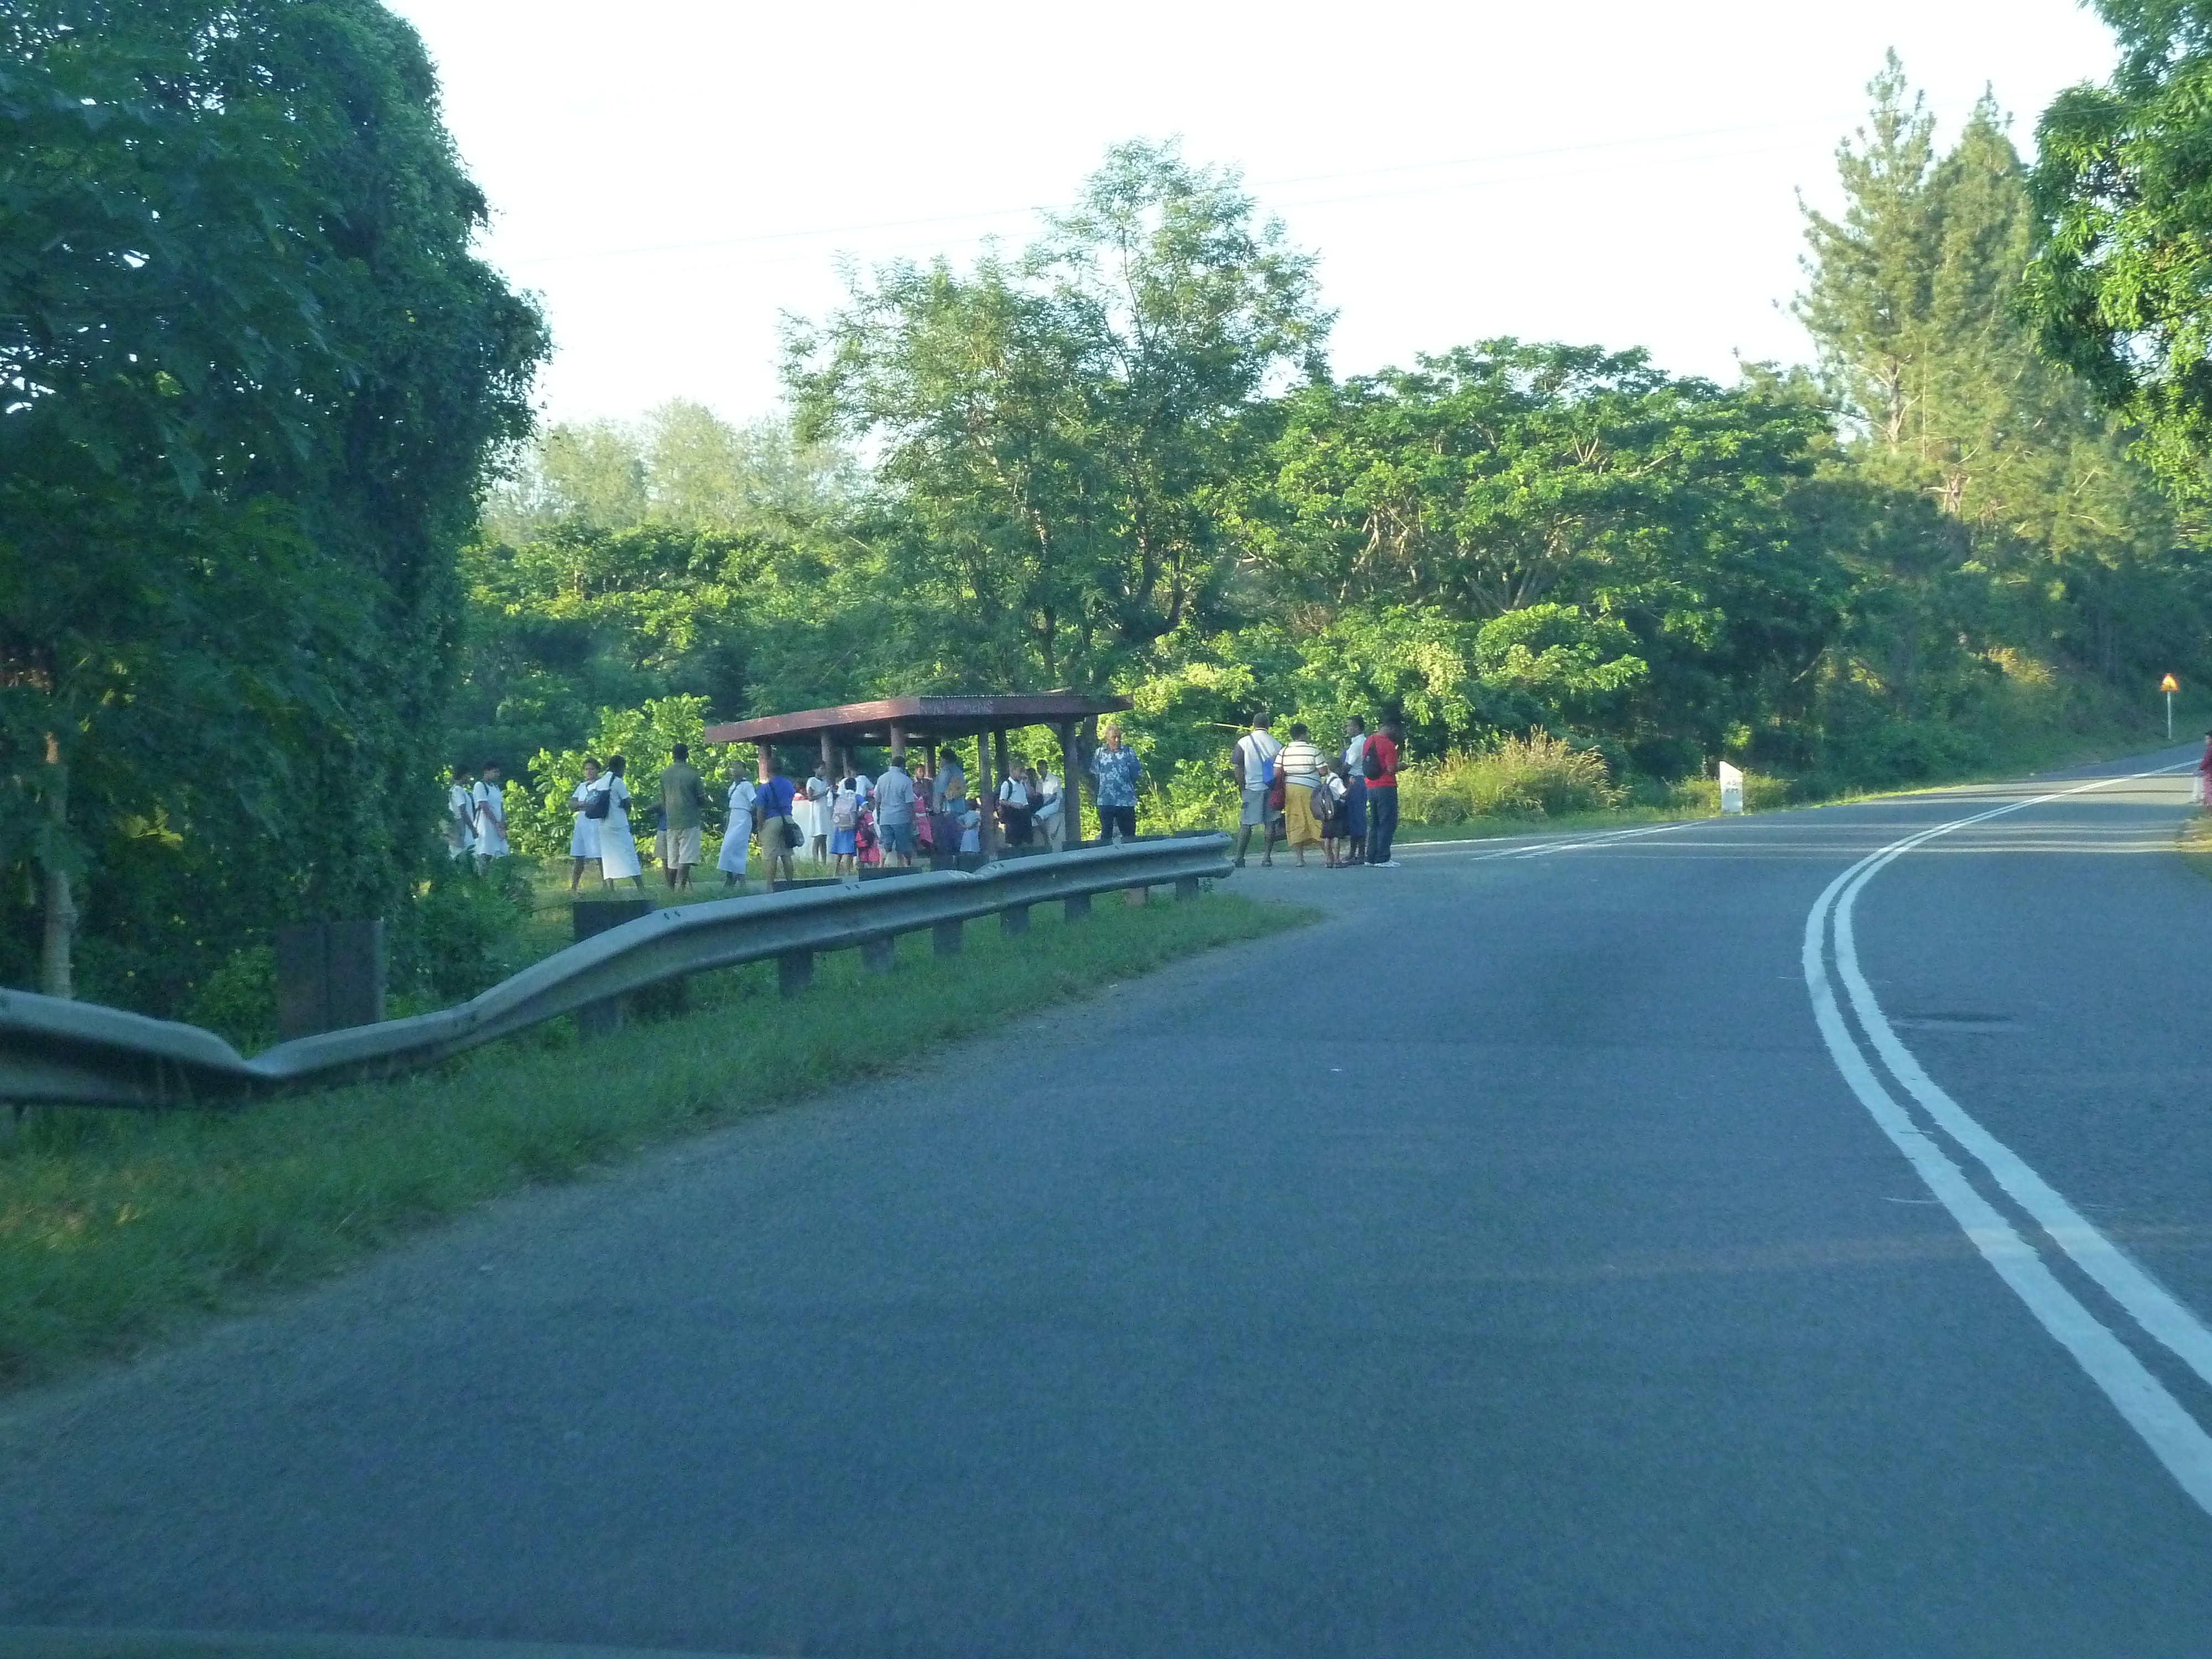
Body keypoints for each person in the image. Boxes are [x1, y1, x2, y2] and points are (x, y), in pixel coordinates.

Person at [1232, 716, 1282, 868]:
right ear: (1268, 725)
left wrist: (1242, 787)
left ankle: (1240, 857)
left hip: (1252, 787)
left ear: (1253, 725)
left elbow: (1238, 766)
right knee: (1270, 824)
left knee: (1246, 824)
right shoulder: (1276, 743)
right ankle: (1267, 857)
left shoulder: (1244, 742)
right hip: (1271, 787)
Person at [659, 742, 709, 892]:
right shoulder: (692, 774)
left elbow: (663, 800)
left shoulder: (664, 774)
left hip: (671, 821)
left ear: (672, 756)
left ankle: (671, 888)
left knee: (673, 860)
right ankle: (681, 888)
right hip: (690, 820)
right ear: (687, 755)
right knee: (686, 858)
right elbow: (701, 799)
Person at [1276, 723, 1325, 867]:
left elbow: (1277, 773)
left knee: (1295, 821)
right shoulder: (1313, 750)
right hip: (1312, 790)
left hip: (1292, 790)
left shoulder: (1284, 751)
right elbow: (1323, 771)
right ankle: (1328, 855)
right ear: (1303, 734)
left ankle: (1300, 859)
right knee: (1317, 819)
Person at [596, 755, 645, 890]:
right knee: (629, 854)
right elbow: (627, 802)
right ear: (619, 767)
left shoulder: (601, 782)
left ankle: (611, 888)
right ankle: (640, 887)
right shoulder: (617, 782)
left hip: (603, 824)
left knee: (608, 856)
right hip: (618, 824)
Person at [1090, 724, 1141, 844]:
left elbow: (1135, 774)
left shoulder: (1129, 752)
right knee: (1106, 833)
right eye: (1114, 737)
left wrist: (1125, 787)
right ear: (1107, 739)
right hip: (1106, 800)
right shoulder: (1099, 753)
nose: (1117, 740)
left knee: (1129, 834)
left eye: (1119, 737)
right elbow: (1095, 775)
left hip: (1126, 800)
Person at [1364, 714, 1404, 867]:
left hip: (1371, 786)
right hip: (1386, 787)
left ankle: (1370, 857)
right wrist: (1402, 766)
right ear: (1391, 728)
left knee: (1374, 823)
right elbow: (1391, 769)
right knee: (1387, 822)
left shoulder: (1369, 741)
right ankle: (1383, 857)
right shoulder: (1388, 744)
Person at [755, 754, 797, 885]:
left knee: (771, 856)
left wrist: (759, 827)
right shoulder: (789, 785)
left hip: (771, 821)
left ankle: (770, 887)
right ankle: (790, 884)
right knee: (787, 854)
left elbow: (761, 810)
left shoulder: (765, 788)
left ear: (768, 770)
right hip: (788, 819)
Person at [874, 755, 919, 867]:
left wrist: (879, 816)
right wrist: (913, 820)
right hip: (901, 817)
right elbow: (909, 803)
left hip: (885, 817)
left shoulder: (881, 779)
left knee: (887, 845)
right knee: (904, 845)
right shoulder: (906, 780)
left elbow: (877, 800)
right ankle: (907, 866)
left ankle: (887, 865)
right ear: (903, 766)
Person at [566, 758, 603, 892]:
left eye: (592, 769)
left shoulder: (601, 785)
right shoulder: (582, 786)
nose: (588, 772)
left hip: (595, 823)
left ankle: (608, 885)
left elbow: (597, 804)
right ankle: (574, 887)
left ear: (598, 770)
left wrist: (582, 805)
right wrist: (582, 804)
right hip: (582, 824)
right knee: (579, 856)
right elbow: (572, 804)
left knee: (600, 856)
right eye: (586, 769)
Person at [718, 765, 757, 889]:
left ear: (745, 770)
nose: (735, 770)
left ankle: (738, 881)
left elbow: (755, 802)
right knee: (727, 849)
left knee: (737, 849)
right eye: (733, 767)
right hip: (733, 818)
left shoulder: (747, 786)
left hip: (743, 818)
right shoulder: (732, 787)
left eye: (738, 767)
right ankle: (733, 878)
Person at [1341, 716, 1370, 867]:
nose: (1347, 729)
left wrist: (1335, 775)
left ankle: (1360, 853)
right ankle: (1354, 852)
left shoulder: (1357, 745)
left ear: (1357, 728)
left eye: (1350, 726)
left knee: (1357, 817)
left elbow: (1347, 767)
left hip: (1355, 781)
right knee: (1355, 817)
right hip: (1360, 781)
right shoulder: (1361, 742)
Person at [471, 761, 509, 872]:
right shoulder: (480, 786)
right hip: (486, 826)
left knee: (502, 852)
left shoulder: (496, 787)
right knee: (485, 852)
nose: (498, 774)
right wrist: (496, 824)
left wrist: (502, 823)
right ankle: (481, 879)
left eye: (498, 772)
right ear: (487, 772)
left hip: (498, 825)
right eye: (495, 772)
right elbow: (485, 807)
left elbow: (501, 807)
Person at [830, 769, 862, 881]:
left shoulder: (840, 796)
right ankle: (848, 872)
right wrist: (858, 816)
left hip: (839, 826)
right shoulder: (857, 797)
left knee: (839, 850)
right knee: (848, 850)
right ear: (855, 786)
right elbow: (866, 808)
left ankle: (835, 872)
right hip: (850, 826)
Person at [1318, 759, 1350, 868]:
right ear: (1338, 768)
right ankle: (1337, 860)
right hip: (1336, 809)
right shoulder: (1337, 780)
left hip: (1326, 811)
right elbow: (1344, 794)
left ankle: (1328, 860)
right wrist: (1350, 785)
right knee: (1336, 836)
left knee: (1327, 836)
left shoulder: (1327, 779)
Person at [1032, 761, 1066, 852]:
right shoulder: (1039, 782)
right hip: (1044, 805)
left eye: (1042, 768)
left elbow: (1054, 797)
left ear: (1046, 767)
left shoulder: (1054, 779)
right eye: (1038, 768)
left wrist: (1044, 806)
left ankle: (1047, 839)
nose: (1040, 770)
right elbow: (1039, 796)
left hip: (1054, 804)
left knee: (1038, 816)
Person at [804, 762, 832, 867]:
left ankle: (824, 863)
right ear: (816, 769)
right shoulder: (812, 781)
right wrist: (824, 793)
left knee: (824, 838)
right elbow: (810, 798)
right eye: (822, 768)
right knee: (818, 837)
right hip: (817, 812)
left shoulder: (825, 782)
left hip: (824, 812)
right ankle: (815, 864)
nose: (824, 771)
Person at [997, 761, 1031, 847]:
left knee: (1027, 841)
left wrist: (1027, 782)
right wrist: (1014, 804)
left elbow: (1031, 795)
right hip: (1014, 815)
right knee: (1015, 842)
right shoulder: (1007, 784)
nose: (1022, 774)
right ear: (1013, 771)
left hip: (1025, 813)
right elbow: (1002, 800)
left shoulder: (1022, 783)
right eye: (1020, 771)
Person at [445, 768, 476, 862]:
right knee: (463, 852)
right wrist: (472, 828)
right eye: (468, 776)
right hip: (463, 826)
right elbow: (462, 810)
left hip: (462, 826)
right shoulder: (457, 790)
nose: (469, 778)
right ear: (463, 776)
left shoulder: (458, 790)